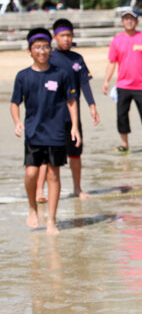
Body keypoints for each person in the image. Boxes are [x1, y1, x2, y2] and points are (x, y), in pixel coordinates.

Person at [10, 28, 81, 234]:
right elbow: (15, 103)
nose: (42, 51)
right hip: (33, 131)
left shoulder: (61, 74)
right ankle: (32, 208)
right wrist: (16, 122)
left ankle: (52, 220)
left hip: (57, 131)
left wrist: (74, 127)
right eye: (37, 47)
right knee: (31, 173)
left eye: (46, 47)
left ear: (51, 49)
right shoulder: (23, 76)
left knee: (53, 175)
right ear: (30, 51)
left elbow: (71, 101)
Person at [35, 19, 99, 200]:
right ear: (55, 37)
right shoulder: (49, 58)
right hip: (51, 116)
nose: (66, 39)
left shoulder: (77, 59)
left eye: (69, 35)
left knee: (75, 153)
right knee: (47, 156)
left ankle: (77, 188)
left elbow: (84, 84)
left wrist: (92, 106)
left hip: (73, 115)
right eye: (63, 35)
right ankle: (40, 191)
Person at [102, 9, 142, 153]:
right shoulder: (117, 40)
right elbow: (111, 62)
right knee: (121, 116)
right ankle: (124, 144)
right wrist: (106, 81)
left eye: (132, 19)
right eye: (126, 19)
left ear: (137, 21)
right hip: (123, 85)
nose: (129, 21)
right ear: (122, 22)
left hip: (141, 85)